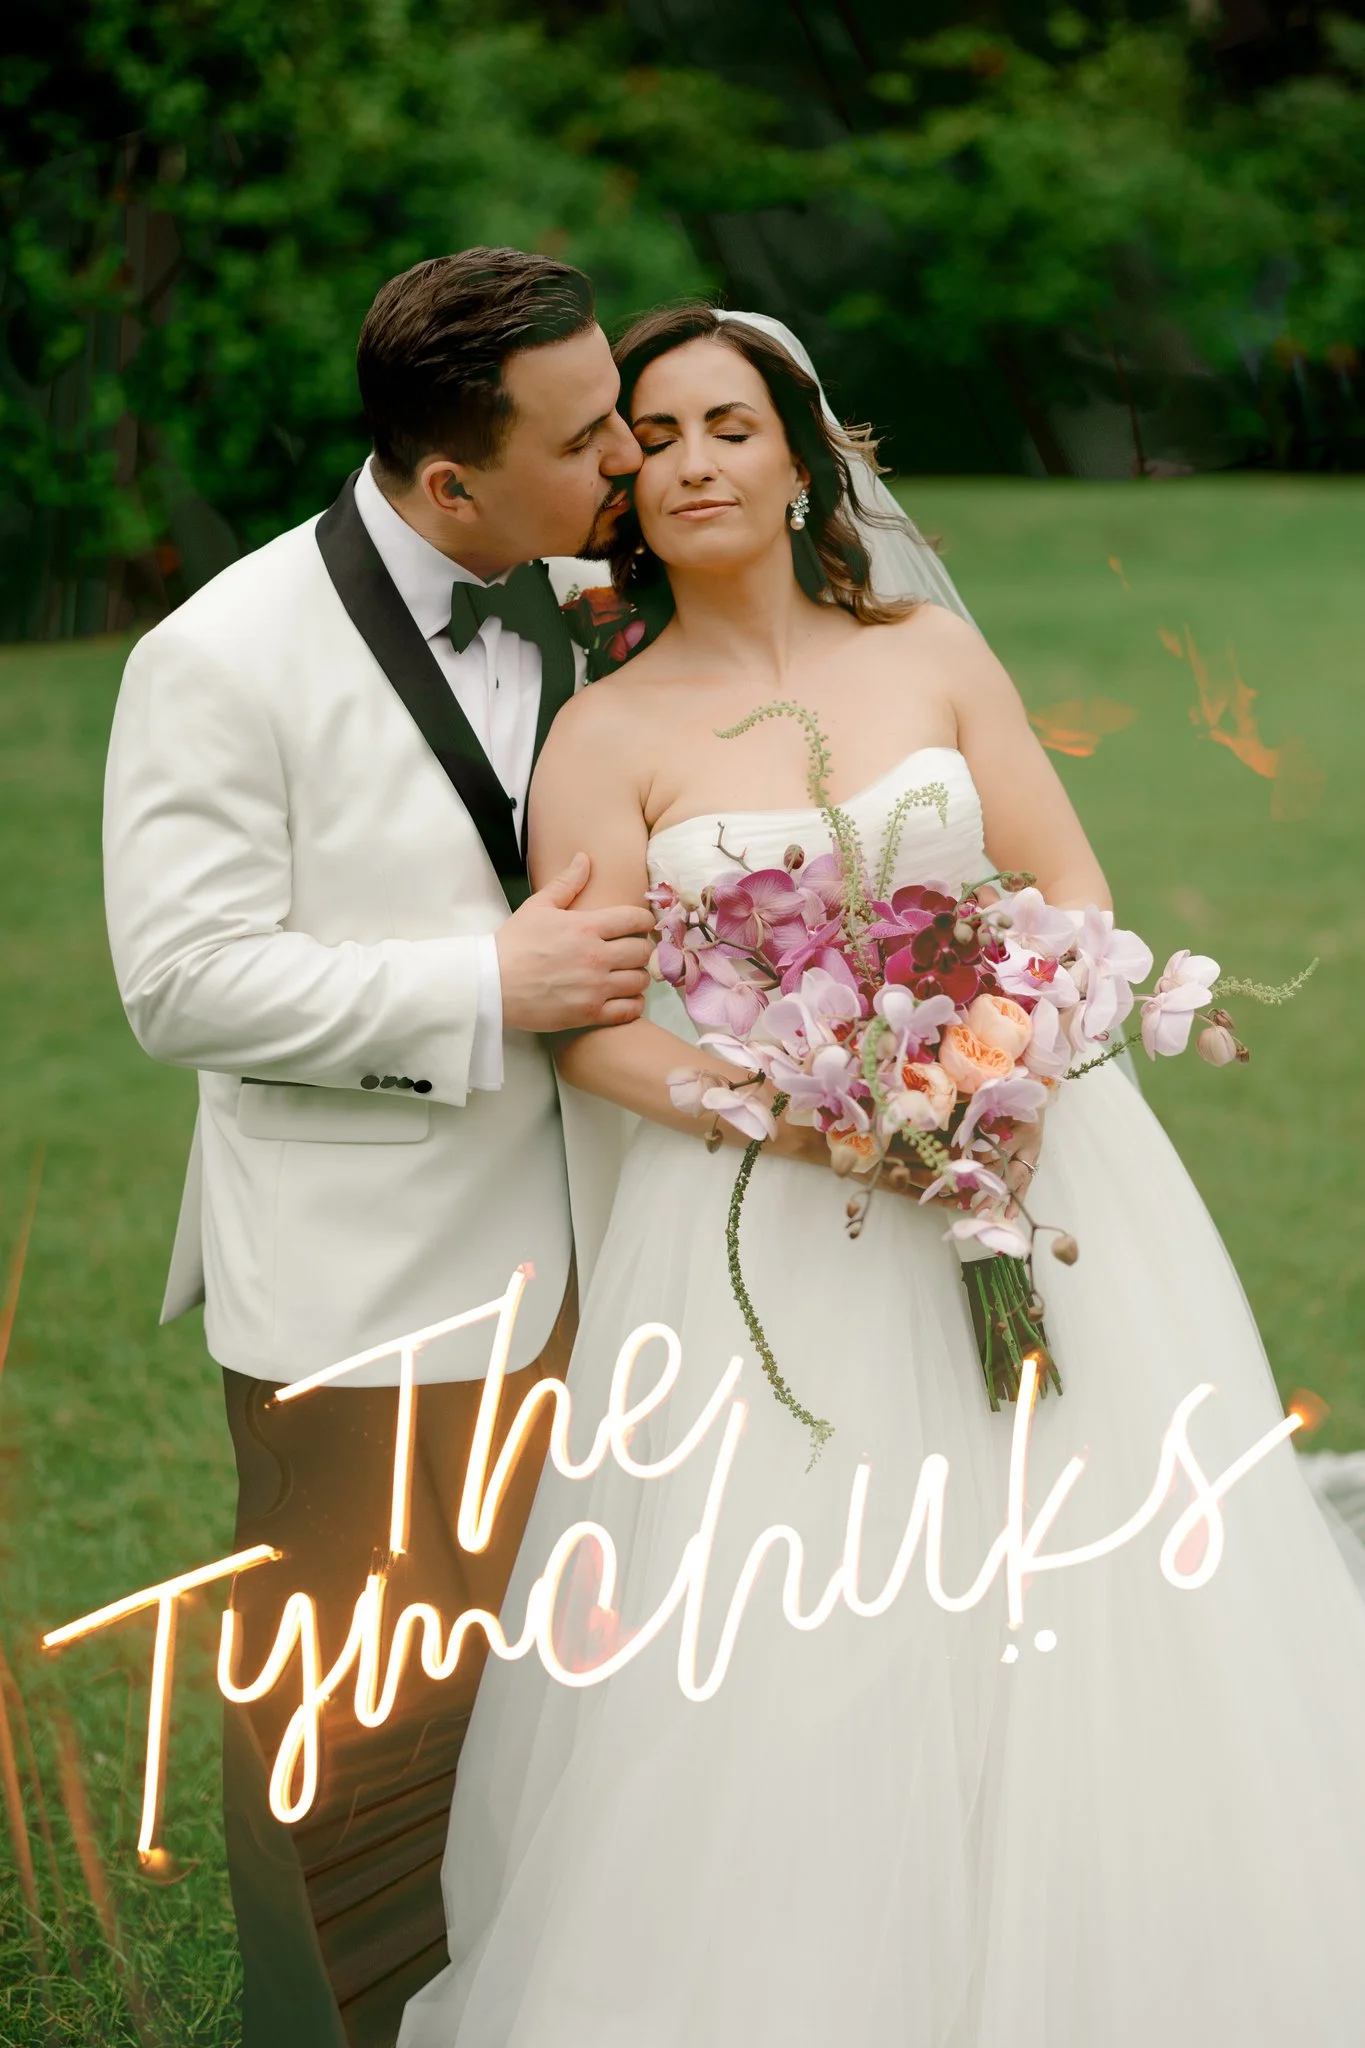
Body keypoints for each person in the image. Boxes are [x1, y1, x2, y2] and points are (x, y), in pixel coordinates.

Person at [400, 305, 1365, 2048]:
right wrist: (800, 1113)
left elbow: (1072, 899)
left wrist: (992, 1079)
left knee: (1090, 1573)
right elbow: (591, 1030)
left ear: (799, 457)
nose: (691, 461)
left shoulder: (929, 655)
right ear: (620, 485)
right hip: (775, 1229)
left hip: (1038, 1185)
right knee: (812, 1623)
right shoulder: (603, 739)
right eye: (654, 436)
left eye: (727, 427)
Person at [102, 247, 659, 2048]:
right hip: (364, 1290)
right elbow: (182, 984)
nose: (631, 467)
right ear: (448, 482)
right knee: (350, 1723)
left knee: (557, 1693)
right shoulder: (219, 658)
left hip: (612, 1250)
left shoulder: (602, 595)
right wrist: (482, 983)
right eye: (589, 441)